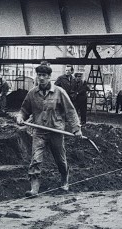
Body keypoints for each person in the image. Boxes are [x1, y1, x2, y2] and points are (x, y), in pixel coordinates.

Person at [16, 63, 82, 197]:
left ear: (49, 77)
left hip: (56, 131)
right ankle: (34, 188)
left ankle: (64, 180)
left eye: (44, 75)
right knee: (36, 159)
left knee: (60, 159)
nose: (41, 78)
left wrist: (76, 128)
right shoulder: (32, 93)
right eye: (39, 75)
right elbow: (24, 110)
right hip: (39, 132)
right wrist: (20, 116)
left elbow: (70, 111)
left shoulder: (59, 92)